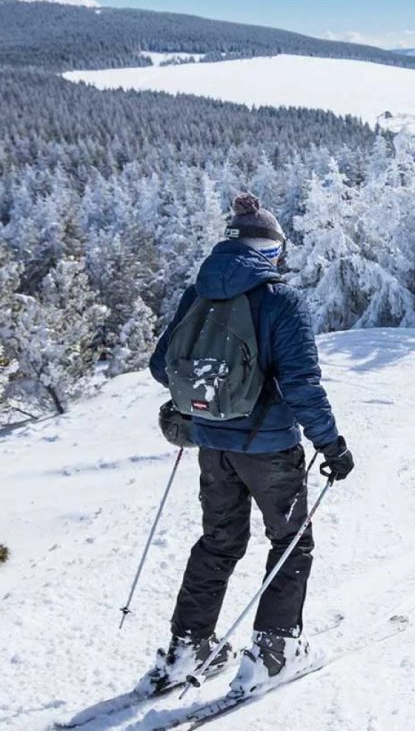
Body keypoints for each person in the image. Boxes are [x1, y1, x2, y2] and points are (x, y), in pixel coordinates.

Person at [143, 193, 355, 697]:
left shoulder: (195, 294)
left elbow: (159, 367)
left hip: (211, 445)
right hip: (270, 450)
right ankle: (274, 653)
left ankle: (187, 648)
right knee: (290, 542)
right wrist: (332, 445)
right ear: (270, 249)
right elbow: (301, 385)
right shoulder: (281, 300)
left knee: (218, 542)